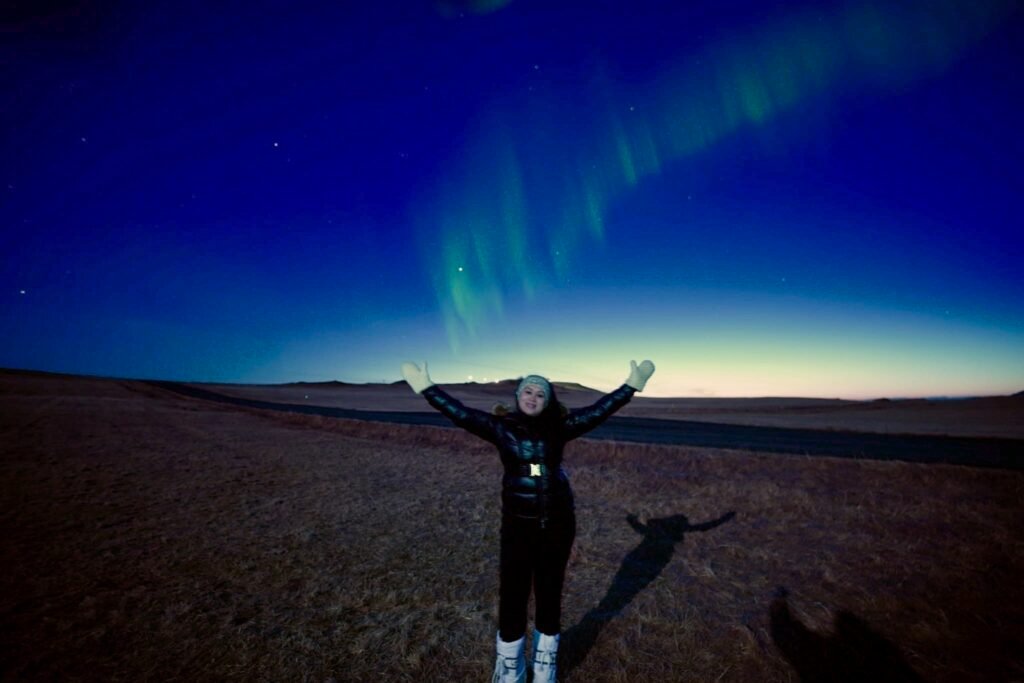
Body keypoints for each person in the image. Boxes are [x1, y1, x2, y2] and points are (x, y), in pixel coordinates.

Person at [400, 359, 656, 683]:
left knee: (550, 593)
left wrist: (630, 386)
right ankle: (511, 669)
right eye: (528, 391)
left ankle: (545, 667)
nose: (533, 397)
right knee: (513, 595)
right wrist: (427, 388)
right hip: (517, 527)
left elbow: (598, 411)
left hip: (558, 524)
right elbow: (459, 413)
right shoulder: (500, 426)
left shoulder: (560, 427)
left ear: (547, 401)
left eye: (540, 393)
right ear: (518, 395)